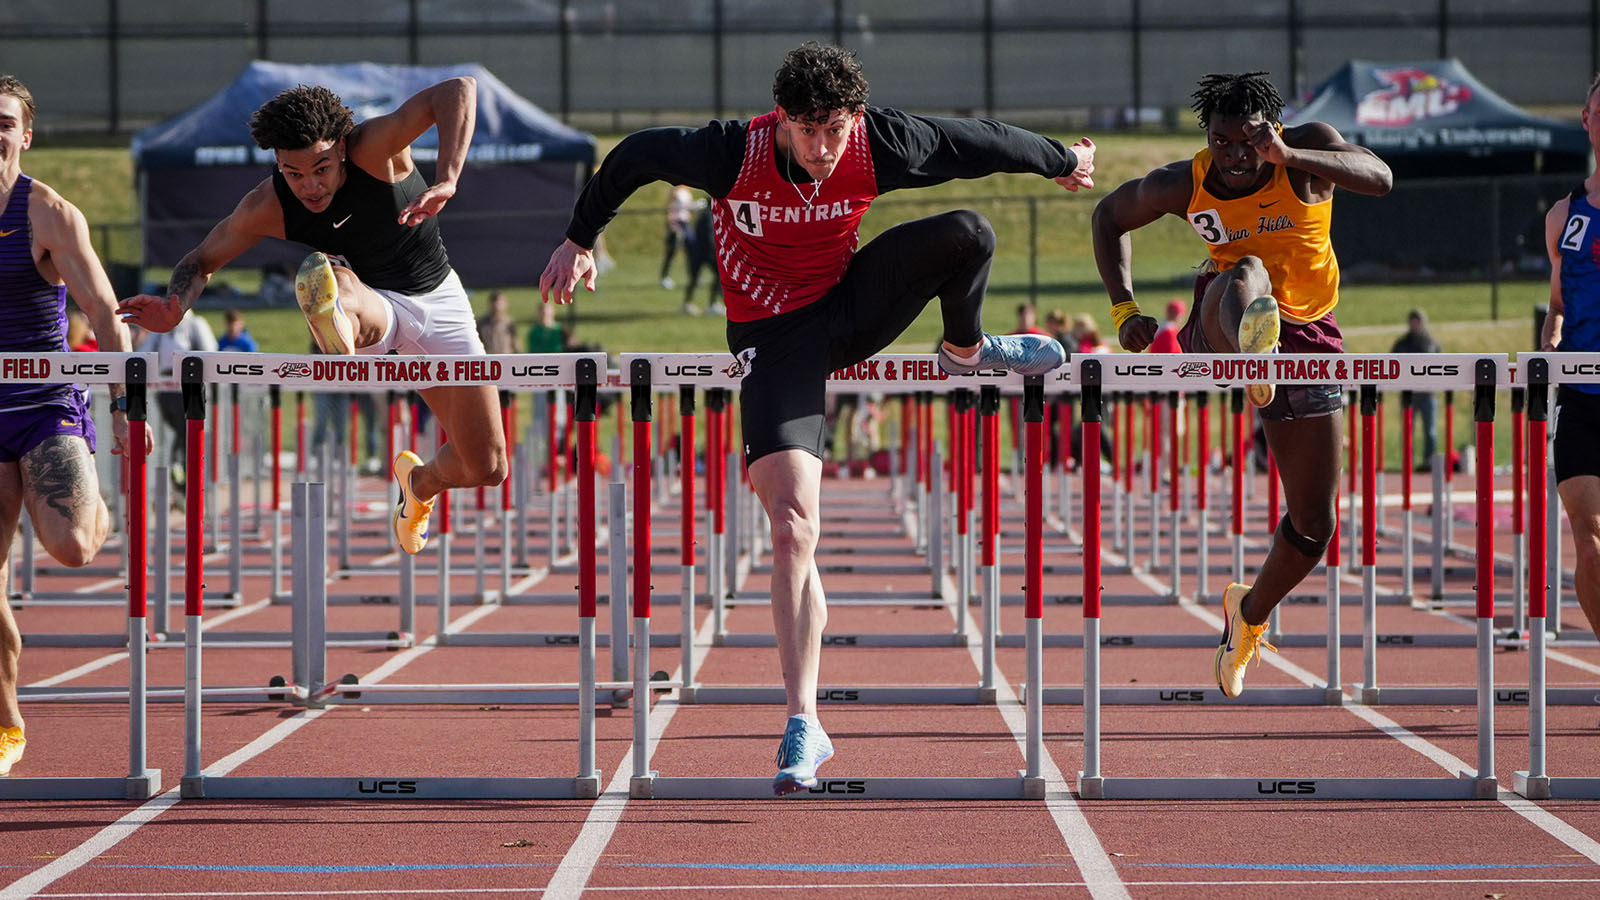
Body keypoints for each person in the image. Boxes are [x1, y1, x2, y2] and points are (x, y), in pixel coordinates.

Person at [540, 41, 1093, 795]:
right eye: (810, 132)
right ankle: (805, 720)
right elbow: (634, 156)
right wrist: (579, 237)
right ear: (783, 124)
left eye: (836, 130)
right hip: (773, 337)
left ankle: (967, 350)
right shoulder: (731, 153)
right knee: (793, 524)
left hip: (850, 307)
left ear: (854, 119)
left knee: (969, 232)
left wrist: (1061, 158)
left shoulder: (878, 143)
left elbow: (977, 142)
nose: (826, 148)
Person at [1091, 71, 1392, 698]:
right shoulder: (1186, 181)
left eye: (1247, 142)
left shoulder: (1306, 151)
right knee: (1246, 271)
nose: (1232, 157)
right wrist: (1124, 310)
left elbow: (1381, 178)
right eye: (1221, 141)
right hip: (1221, 320)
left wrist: (1287, 155)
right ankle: (1255, 358)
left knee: (1314, 526)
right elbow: (1109, 215)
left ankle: (1248, 614)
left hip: (1309, 334)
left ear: (1271, 131)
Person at [117, 78, 506, 556]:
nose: (310, 186)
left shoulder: (375, 147)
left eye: (320, 168)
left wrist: (448, 176)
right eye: (293, 172)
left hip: (440, 299)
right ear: (278, 163)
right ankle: (336, 325)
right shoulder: (270, 203)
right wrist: (174, 308)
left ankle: (419, 481)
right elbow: (200, 260)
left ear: (342, 148)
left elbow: (458, 91)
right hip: (371, 301)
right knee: (336, 281)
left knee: (487, 466)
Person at [0, 74, 146, 777]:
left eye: (3, 122)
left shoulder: (49, 213)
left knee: (73, 548)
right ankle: (6, 723)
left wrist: (123, 404)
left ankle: (93, 505)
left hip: (42, 404)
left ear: (25, 134)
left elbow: (104, 312)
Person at [1541, 72, 1600, 647]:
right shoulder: (1565, 215)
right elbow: (1558, 305)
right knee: (1589, 542)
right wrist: (1550, 342)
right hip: (1582, 398)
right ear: (1586, 121)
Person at [1390, 308, 1440, 469]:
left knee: (1430, 432)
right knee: (1408, 431)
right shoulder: (1402, 343)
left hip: (1427, 394)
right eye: (1412, 320)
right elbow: (1392, 363)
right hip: (1409, 395)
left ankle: (1429, 462)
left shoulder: (1431, 343)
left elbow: (1440, 365)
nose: (1415, 324)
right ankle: (1408, 462)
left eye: (1417, 320)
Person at [681, 200, 724, 316]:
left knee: (694, 279)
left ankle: (687, 303)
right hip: (707, 253)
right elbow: (710, 236)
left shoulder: (703, 215)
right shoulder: (710, 216)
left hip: (698, 252)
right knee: (719, 275)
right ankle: (712, 304)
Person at [659, 184, 696, 291]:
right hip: (677, 223)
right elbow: (671, 207)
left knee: (691, 250)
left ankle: (692, 275)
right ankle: (664, 277)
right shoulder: (676, 191)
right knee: (672, 251)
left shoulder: (687, 190)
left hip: (685, 223)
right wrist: (672, 223)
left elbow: (687, 206)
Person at [476, 289, 518, 355]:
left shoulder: (509, 323)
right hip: (488, 359)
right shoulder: (481, 323)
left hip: (506, 359)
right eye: (495, 302)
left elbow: (515, 344)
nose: (497, 305)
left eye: (500, 302)